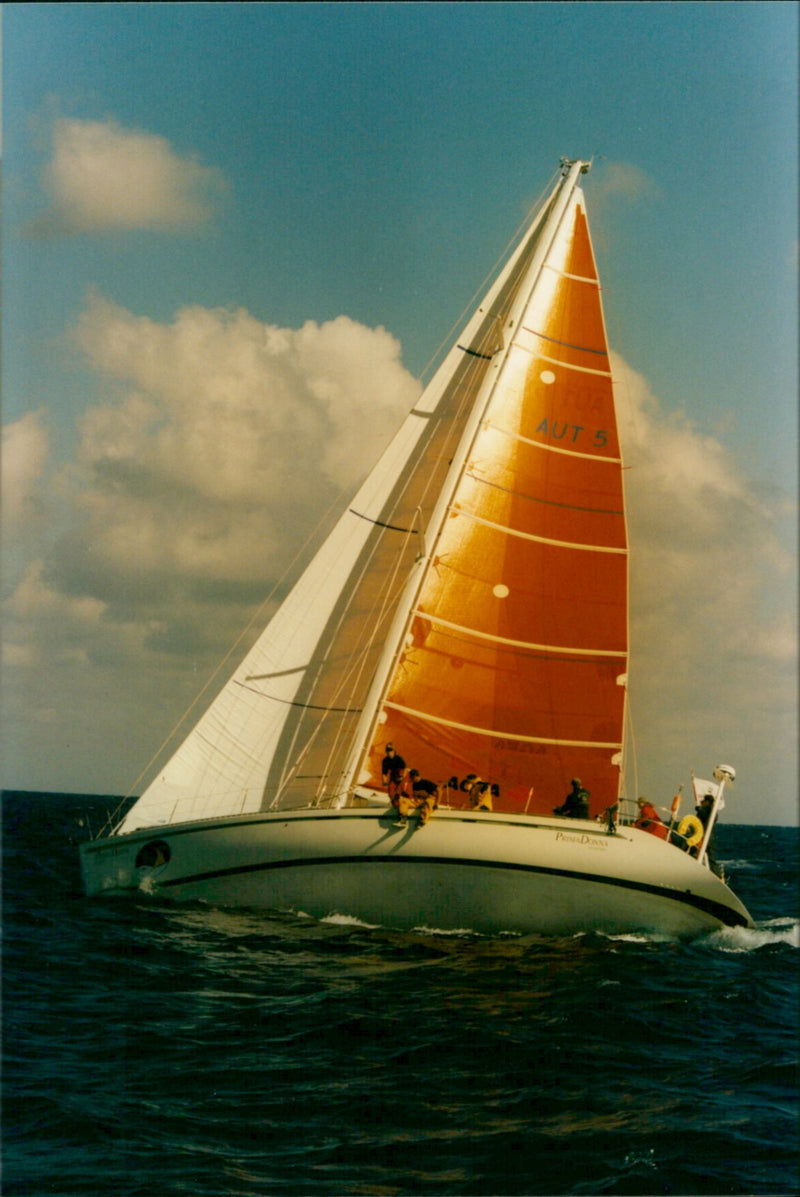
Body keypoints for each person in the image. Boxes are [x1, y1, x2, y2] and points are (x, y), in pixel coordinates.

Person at [695, 791, 720, 875]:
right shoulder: (713, 812)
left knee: (709, 857)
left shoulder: (707, 811)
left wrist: (699, 808)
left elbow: (702, 815)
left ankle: (716, 875)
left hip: (704, 836)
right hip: (709, 836)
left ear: (708, 802)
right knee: (711, 858)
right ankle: (717, 875)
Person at [381, 744, 408, 812]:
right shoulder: (385, 760)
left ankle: (403, 806)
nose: (389, 752)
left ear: (394, 751)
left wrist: (402, 777)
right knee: (391, 791)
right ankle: (395, 806)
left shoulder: (398, 758)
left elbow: (405, 768)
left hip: (401, 774)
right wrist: (384, 781)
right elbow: (384, 772)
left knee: (402, 792)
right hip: (393, 775)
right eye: (387, 751)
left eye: (390, 750)